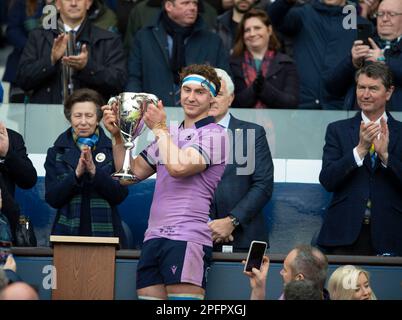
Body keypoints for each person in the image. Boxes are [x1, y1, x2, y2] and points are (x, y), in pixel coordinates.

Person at [103, 64, 228, 300]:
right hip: (153, 238)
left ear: (212, 99)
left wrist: (159, 129)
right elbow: (128, 175)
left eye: (200, 92)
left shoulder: (216, 134)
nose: (191, 97)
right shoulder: (168, 134)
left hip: (187, 238)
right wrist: (118, 136)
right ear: (179, 93)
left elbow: (179, 167)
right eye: (186, 90)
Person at [318, 62, 402, 256]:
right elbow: (327, 180)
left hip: (392, 233)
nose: (365, 95)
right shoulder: (337, 130)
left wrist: (386, 157)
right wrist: (360, 150)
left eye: (373, 88)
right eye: (361, 87)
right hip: (344, 234)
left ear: (388, 93)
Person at [44, 88, 129, 246]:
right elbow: (52, 198)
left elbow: (120, 194)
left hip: (107, 234)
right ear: (70, 118)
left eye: (89, 116)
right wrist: (76, 174)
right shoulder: (56, 152)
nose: (83, 122)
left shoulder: (114, 148)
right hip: (66, 235)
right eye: (77, 116)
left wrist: (94, 172)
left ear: (98, 118)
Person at [208, 68, 273, 252]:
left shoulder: (253, 133)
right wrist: (207, 224)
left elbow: (263, 185)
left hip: (247, 239)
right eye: (208, 93)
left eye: (218, 94)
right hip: (200, 238)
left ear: (230, 97)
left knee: (251, 282)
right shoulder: (187, 134)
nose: (212, 99)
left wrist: (231, 221)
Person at [16, 0, 127, 104]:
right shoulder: (38, 36)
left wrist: (88, 67)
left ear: (88, 3)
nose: (73, 3)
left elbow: (119, 83)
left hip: (90, 120)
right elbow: (22, 81)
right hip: (46, 118)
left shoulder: (108, 39)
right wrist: (50, 60)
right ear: (58, 4)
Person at [268, 0, 370, 109]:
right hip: (303, 106)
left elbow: (368, 69)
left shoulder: (361, 24)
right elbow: (274, 18)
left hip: (340, 109)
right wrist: (286, 2)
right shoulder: (303, 14)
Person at [126, 0, 230, 106]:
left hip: (201, 116)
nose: (193, 7)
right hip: (153, 113)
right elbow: (134, 78)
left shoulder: (212, 41)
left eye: (195, 3)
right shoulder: (144, 37)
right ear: (169, 6)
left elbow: (223, 80)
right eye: (186, 3)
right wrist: (136, 109)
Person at [325, 0, 402, 110]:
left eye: (391, 14)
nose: (384, 19)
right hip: (360, 121)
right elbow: (331, 88)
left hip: (397, 121)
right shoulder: (362, 42)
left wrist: (384, 62)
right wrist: (352, 62)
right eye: (380, 14)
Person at [230, 9, 299, 108]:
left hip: (279, 122)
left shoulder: (286, 63)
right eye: (247, 30)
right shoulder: (233, 64)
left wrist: (264, 87)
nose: (252, 34)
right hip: (242, 122)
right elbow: (231, 102)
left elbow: (291, 102)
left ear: (269, 30)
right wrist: (254, 88)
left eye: (257, 28)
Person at [245, 245, 329, 300]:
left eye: (285, 270)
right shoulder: (286, 296)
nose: (281, 272)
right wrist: (258, 287)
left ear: (299, 278)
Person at [0, 122, 37, 242]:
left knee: (5, 261)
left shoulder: (11, 137)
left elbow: (29, 180)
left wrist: (7, 153)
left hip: (4, 229)